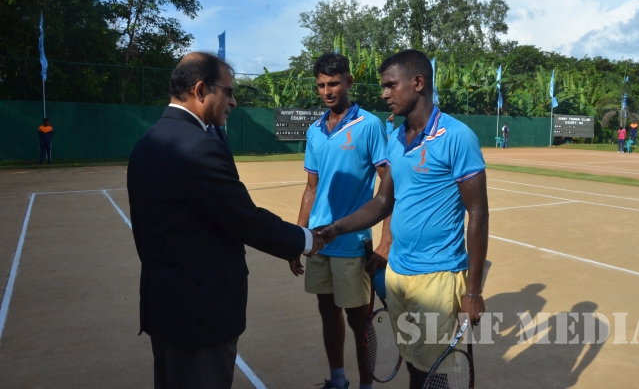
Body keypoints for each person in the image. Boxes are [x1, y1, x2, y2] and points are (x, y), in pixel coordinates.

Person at [127, 52, 325, 389]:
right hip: (201, 315)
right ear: (201, 90)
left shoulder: (148, 141)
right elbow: (244, 218)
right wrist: (306, 240)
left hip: (165, 306)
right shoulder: (199, 146)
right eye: (228, 91)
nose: (233, 101)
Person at [318, 49, 489, 389]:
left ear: (418, 83)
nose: (384, 94)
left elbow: (478, 214)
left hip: (438, 277)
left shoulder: (457, 136)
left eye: (391, 85)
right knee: (414, 365)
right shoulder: (396, 139)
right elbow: (383, 201)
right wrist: (337, 228)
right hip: (398, 273)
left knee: (432, 374)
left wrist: (472, 291)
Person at [289, 53, 390, 389]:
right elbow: (310, 189)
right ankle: (337, 381)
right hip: (319, 242)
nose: (327, 91)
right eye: (321, 85)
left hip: (352, 243)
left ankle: (366, 386)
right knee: (327, 312)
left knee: (359, 322)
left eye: (333, 83)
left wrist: (385, 243)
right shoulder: (315, 131)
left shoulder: (369, 125)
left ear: (348, 81)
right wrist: (298, 238)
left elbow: (389, 190)